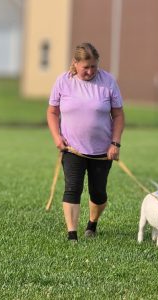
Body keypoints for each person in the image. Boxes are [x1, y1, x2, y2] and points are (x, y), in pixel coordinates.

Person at [47, 42, 125, 242]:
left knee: (98, 193)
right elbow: (52, 112)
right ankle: (72, 235)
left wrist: (115, 144)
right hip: (72, 148)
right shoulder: (63, 81)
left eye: (94, 67)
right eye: (86, 67)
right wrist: (57, 137)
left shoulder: (107, 81)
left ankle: (92, 223)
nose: (90, 71)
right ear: (75, 63)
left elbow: (118, 115)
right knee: (72, 188)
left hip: (102, 151)